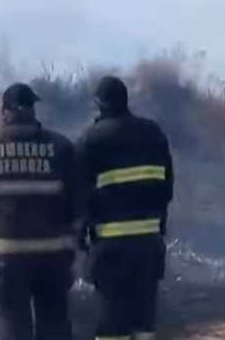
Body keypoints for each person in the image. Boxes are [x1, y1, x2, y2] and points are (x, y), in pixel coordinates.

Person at [0, 83, 81, 340]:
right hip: (53, 255)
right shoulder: (62, 148)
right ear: (33, 109)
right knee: (54, 323)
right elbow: (79, 201)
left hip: (5, 257)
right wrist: (75, 235)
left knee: (11, 321)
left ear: (3, 110)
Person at [76, 76, 174, 340]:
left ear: (99, 105)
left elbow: (78, 195)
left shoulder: (90, 140)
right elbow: (167, 188)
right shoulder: (153, 133)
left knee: (112, 324)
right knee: (144, 323)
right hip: (148, 244)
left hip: (110, 247)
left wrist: (80, 237)